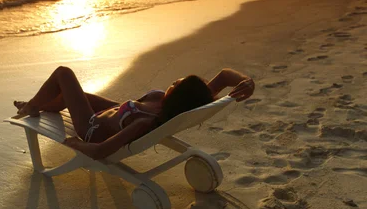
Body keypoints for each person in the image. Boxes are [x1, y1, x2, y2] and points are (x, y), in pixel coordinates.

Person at [14, 66, 254, 160]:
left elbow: (100, 150)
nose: (173, 80)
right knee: (71, 94)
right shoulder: (186, 104)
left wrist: (75, 142)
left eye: (175, 83)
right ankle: (38, 104)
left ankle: (32, 106)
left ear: (176, 94)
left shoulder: (145, 122)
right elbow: (224, 76)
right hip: (116, 112)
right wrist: (247, 81)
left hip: (92, 128)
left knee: (64, 74)